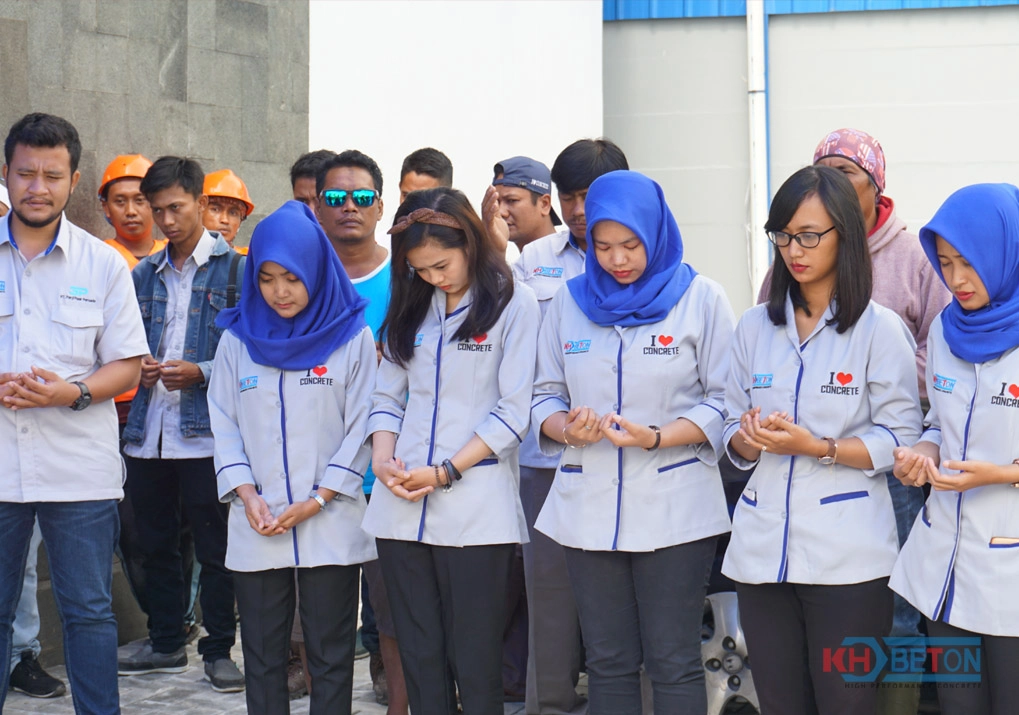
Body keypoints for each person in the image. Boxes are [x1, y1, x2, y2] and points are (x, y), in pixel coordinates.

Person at [531, 170, 732, 714]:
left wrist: (658, 437)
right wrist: (565, 428)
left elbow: (725, 400)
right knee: (607, 660)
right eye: (603, 247)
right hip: (588, 505)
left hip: (675, 507)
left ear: (656, 232)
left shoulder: (701, 299)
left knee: (673, 659)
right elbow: (543, 395)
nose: (617, 260)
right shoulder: (570, 302)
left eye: (630, 245)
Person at [723, 165, 922, 715]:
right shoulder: (754, 327)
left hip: (848, 558)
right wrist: (747, 439)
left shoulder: (879, 329)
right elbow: (727, 425)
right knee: (781, 702)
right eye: (783, 235)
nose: (794, 250)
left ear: (845, 235)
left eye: (809, 235)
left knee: (845, 703)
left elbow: (901, 437)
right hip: (763, 554)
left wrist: (818, 447)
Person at [363, 187, 540, 714]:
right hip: (401, 503)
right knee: (420, 655)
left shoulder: (513, 302)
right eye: (420, 270)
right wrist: (382, 459)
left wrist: (444, 472)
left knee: (475, 657)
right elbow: (386, 396)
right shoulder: (412, 303)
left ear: (470, 242)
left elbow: (513, 411)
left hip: (474, 507)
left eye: (441, 265)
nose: (434, 278)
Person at [0, 112, 148, 714]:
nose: (38, 187)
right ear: (6, 174)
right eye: (25, 173)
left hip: (79, 472)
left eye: (52, 175)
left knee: (88, 611)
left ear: (74, 181)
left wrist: (73, 392)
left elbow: (127, 366)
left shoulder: (102, 264)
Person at [209, 200, 378, 714]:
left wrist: (321, 497)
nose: (279, 292)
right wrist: (246, 494)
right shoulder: (237, 340)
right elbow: (224, 422)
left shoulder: (352, 337)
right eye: (266, 279)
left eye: (292, 278)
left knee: (330, 656)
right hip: (258, 521)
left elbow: (363, 427)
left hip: (330, 519)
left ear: (317, 271)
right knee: (262, 656)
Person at [889, 183, 1019, 715]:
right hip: (944, 561)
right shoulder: (945, 331)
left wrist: (999, 474)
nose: (956, 280)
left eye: (969, 263)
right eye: (945, 263)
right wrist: (922, 451)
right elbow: (940, 423)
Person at [118, 156, 245, 693]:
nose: (167, 220)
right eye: (158, 210)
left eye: (176, 208)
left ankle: (218, 651)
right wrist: (137, 367)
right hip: (148, 433)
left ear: (200, 202)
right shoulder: (141, 273)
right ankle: (167, 641)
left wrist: (203, 371)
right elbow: (119, 345)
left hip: (209, 435)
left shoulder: (237, 271)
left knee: (217, 551)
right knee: (154, 546)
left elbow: (251, 352)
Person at [513, 137, 628, 715]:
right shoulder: (532, 262)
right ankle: (550, 706)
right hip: (548, 460)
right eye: (568, 196)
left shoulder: (657, 261)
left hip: (628, 459)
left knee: (627, 607)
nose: (578, 210)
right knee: (551, 600)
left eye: (590, 195)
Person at [315, 148, 402, 709]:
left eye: (362, 196)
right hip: (319, 471)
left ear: (380, 207)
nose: (350, 206)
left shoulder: (409, 275)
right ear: (316, 207)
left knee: (394, 608)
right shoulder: (298, 277)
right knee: (322, 612)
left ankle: (397, 692)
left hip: (392, 469)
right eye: (336, 196)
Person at [482, 156, 560, 256]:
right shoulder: (519, 264)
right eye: (497, 202)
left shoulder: (575, 260)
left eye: (511, 200)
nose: (501, 212)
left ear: (544, 204)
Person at [203, 168, 254, 253]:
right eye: (215, 209)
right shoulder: (180, 255)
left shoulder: (248, 259)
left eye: (233, 213)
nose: (225, 220)